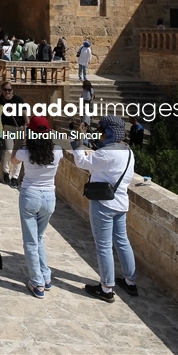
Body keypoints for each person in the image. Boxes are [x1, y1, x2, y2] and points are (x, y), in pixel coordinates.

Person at [73, 115, 137, 303]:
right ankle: (130, 281)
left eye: (101, 131)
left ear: (109, 132)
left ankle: (106, 288)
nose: (100, 134)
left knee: (104, 245)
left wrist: (78, 143)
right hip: (121, 202)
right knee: (122, 241)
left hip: (103, 204)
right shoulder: (128, 152)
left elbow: (82, 163)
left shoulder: (106, 153)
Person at [11, 116, 62, 299]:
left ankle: (37, 282)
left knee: (31, 242)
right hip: (49, 198)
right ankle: (46, 276)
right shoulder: (57, 151)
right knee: (39, 238)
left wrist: (19, 140)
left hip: (30, 196)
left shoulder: (25, 151)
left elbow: (13, 161)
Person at [0, 83, 25, 186]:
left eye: (9, 89)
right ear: (2, 90)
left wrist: (26, 126)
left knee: (19, 152)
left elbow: (24, 114)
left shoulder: (18, 100)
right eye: (5, 89)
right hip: (7, 128)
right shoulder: (0, 100)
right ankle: (6, 172)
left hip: (19, 128)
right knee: (9, 151)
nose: (7, 92)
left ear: (12, 90)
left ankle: (15, 177)